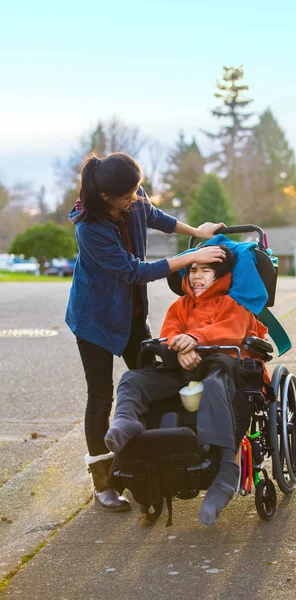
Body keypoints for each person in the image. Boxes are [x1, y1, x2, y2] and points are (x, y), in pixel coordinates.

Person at [65, 152, 227, 512]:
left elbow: (156, 216)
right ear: (106, 197)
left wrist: (196, 233)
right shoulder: (89, 228)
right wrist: (186, 259)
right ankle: (104, 483)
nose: (136, 199)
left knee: (156, 376)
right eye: (129, 195)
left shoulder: (134, 202)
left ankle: (153, 456)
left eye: (138, 191)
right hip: (95, 319)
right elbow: (133, 271)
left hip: (133, 315)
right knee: (101, 397)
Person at [105, 247, 269, 526]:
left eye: (205, 270)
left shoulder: (235, 303)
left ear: (221, 276)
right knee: (133, 378)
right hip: (180, 371)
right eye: (193, 269)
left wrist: (196, 337)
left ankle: (227, 467)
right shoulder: (179, 306)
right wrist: (179, 349)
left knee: (214, 379)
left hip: (225, 372)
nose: (197, 276)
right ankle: (126, 421)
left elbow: (231, 330)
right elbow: (169, 334)